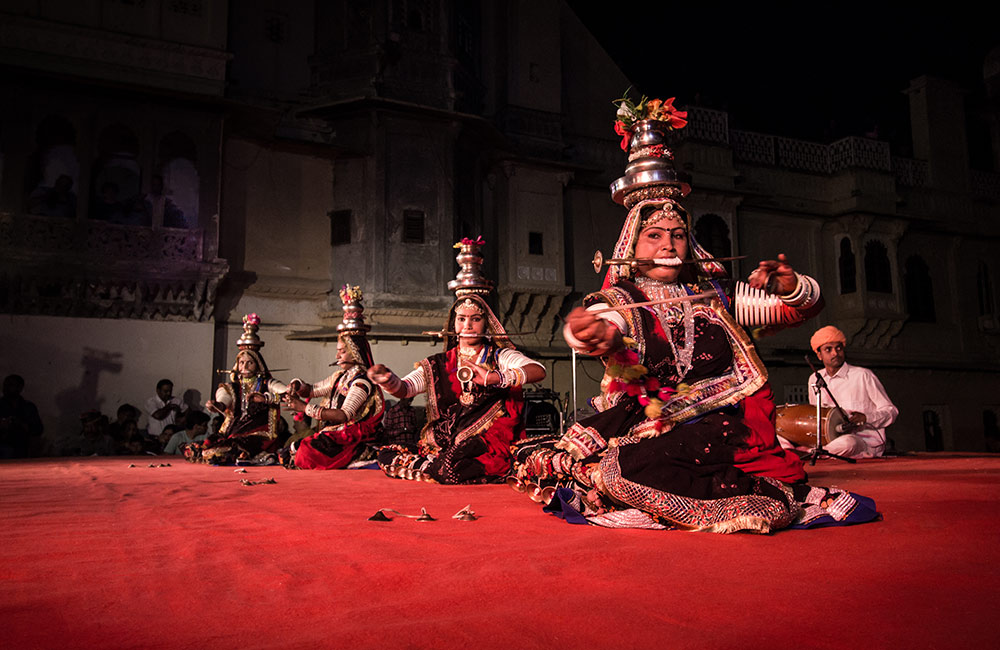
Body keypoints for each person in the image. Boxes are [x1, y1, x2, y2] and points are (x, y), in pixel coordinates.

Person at [513, 100, 876, 532]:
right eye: (654, 236)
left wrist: (791, 287)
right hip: (647, 414)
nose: (668, 245)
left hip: (722, 419)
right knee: (551, 456)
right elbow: (604, 321)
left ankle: (762, 500)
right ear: (631, 245)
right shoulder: (623, 296)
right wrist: (589, 334)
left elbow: (802, 308)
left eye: (678, 235)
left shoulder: (714, 294)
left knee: (627, 469)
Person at [369, 238, 547, 484]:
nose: (468, 326)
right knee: (387, 454)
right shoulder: (438, 364)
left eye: (475, 319)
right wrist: (388, 379)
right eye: (462, 319)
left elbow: (538, 370)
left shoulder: (498, 356)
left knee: (451, 466)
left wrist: (493, 377)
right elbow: (405, 389)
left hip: (483, 441)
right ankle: (433, 464)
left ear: (487, 324)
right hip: (443, 441)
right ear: (453, 322)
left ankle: (432, 466)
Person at [283, 286, 384, 470]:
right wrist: (298, 385)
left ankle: (362, 454)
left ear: (355, 353)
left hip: (350, 434)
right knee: (293, 448)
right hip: (334, 431)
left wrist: (304, 408)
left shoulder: (362, 382)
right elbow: (313, 390)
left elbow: (343, 415)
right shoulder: (340, 376)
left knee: (304, 451)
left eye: (342, 352)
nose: (337, 356)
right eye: (337, 352)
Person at [784, 325, 898, 459]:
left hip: (862, 441)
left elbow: (891, 411)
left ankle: (809, 454)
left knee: (848, 442)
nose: (835, 353)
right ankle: (808, 451)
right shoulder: (814, 378)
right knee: (779, 434)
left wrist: (866, 418)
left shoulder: (863, 375)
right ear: (819, 355)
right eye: (828, 349)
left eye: (839, 348)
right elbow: (817, 417)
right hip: (829, 439)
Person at [195, 314, 287, 465]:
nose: (244, 367)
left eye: (250, 363)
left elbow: (285, 393)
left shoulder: (267, 383)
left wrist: (266, 398)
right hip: (233, 432)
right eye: (241, 362)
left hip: (261, 434)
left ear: (257, 365)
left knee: (230, 449)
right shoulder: (231, 388)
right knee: (208, 447)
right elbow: (224, 399)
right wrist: (217, 406)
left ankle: (261, 456)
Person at [0, 374, 44, 458]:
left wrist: (21, 424)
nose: (5, 388)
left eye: (10, 385)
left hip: (22, 445)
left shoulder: (28, 407)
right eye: (5, 385)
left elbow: (38, 429)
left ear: (20, 388)